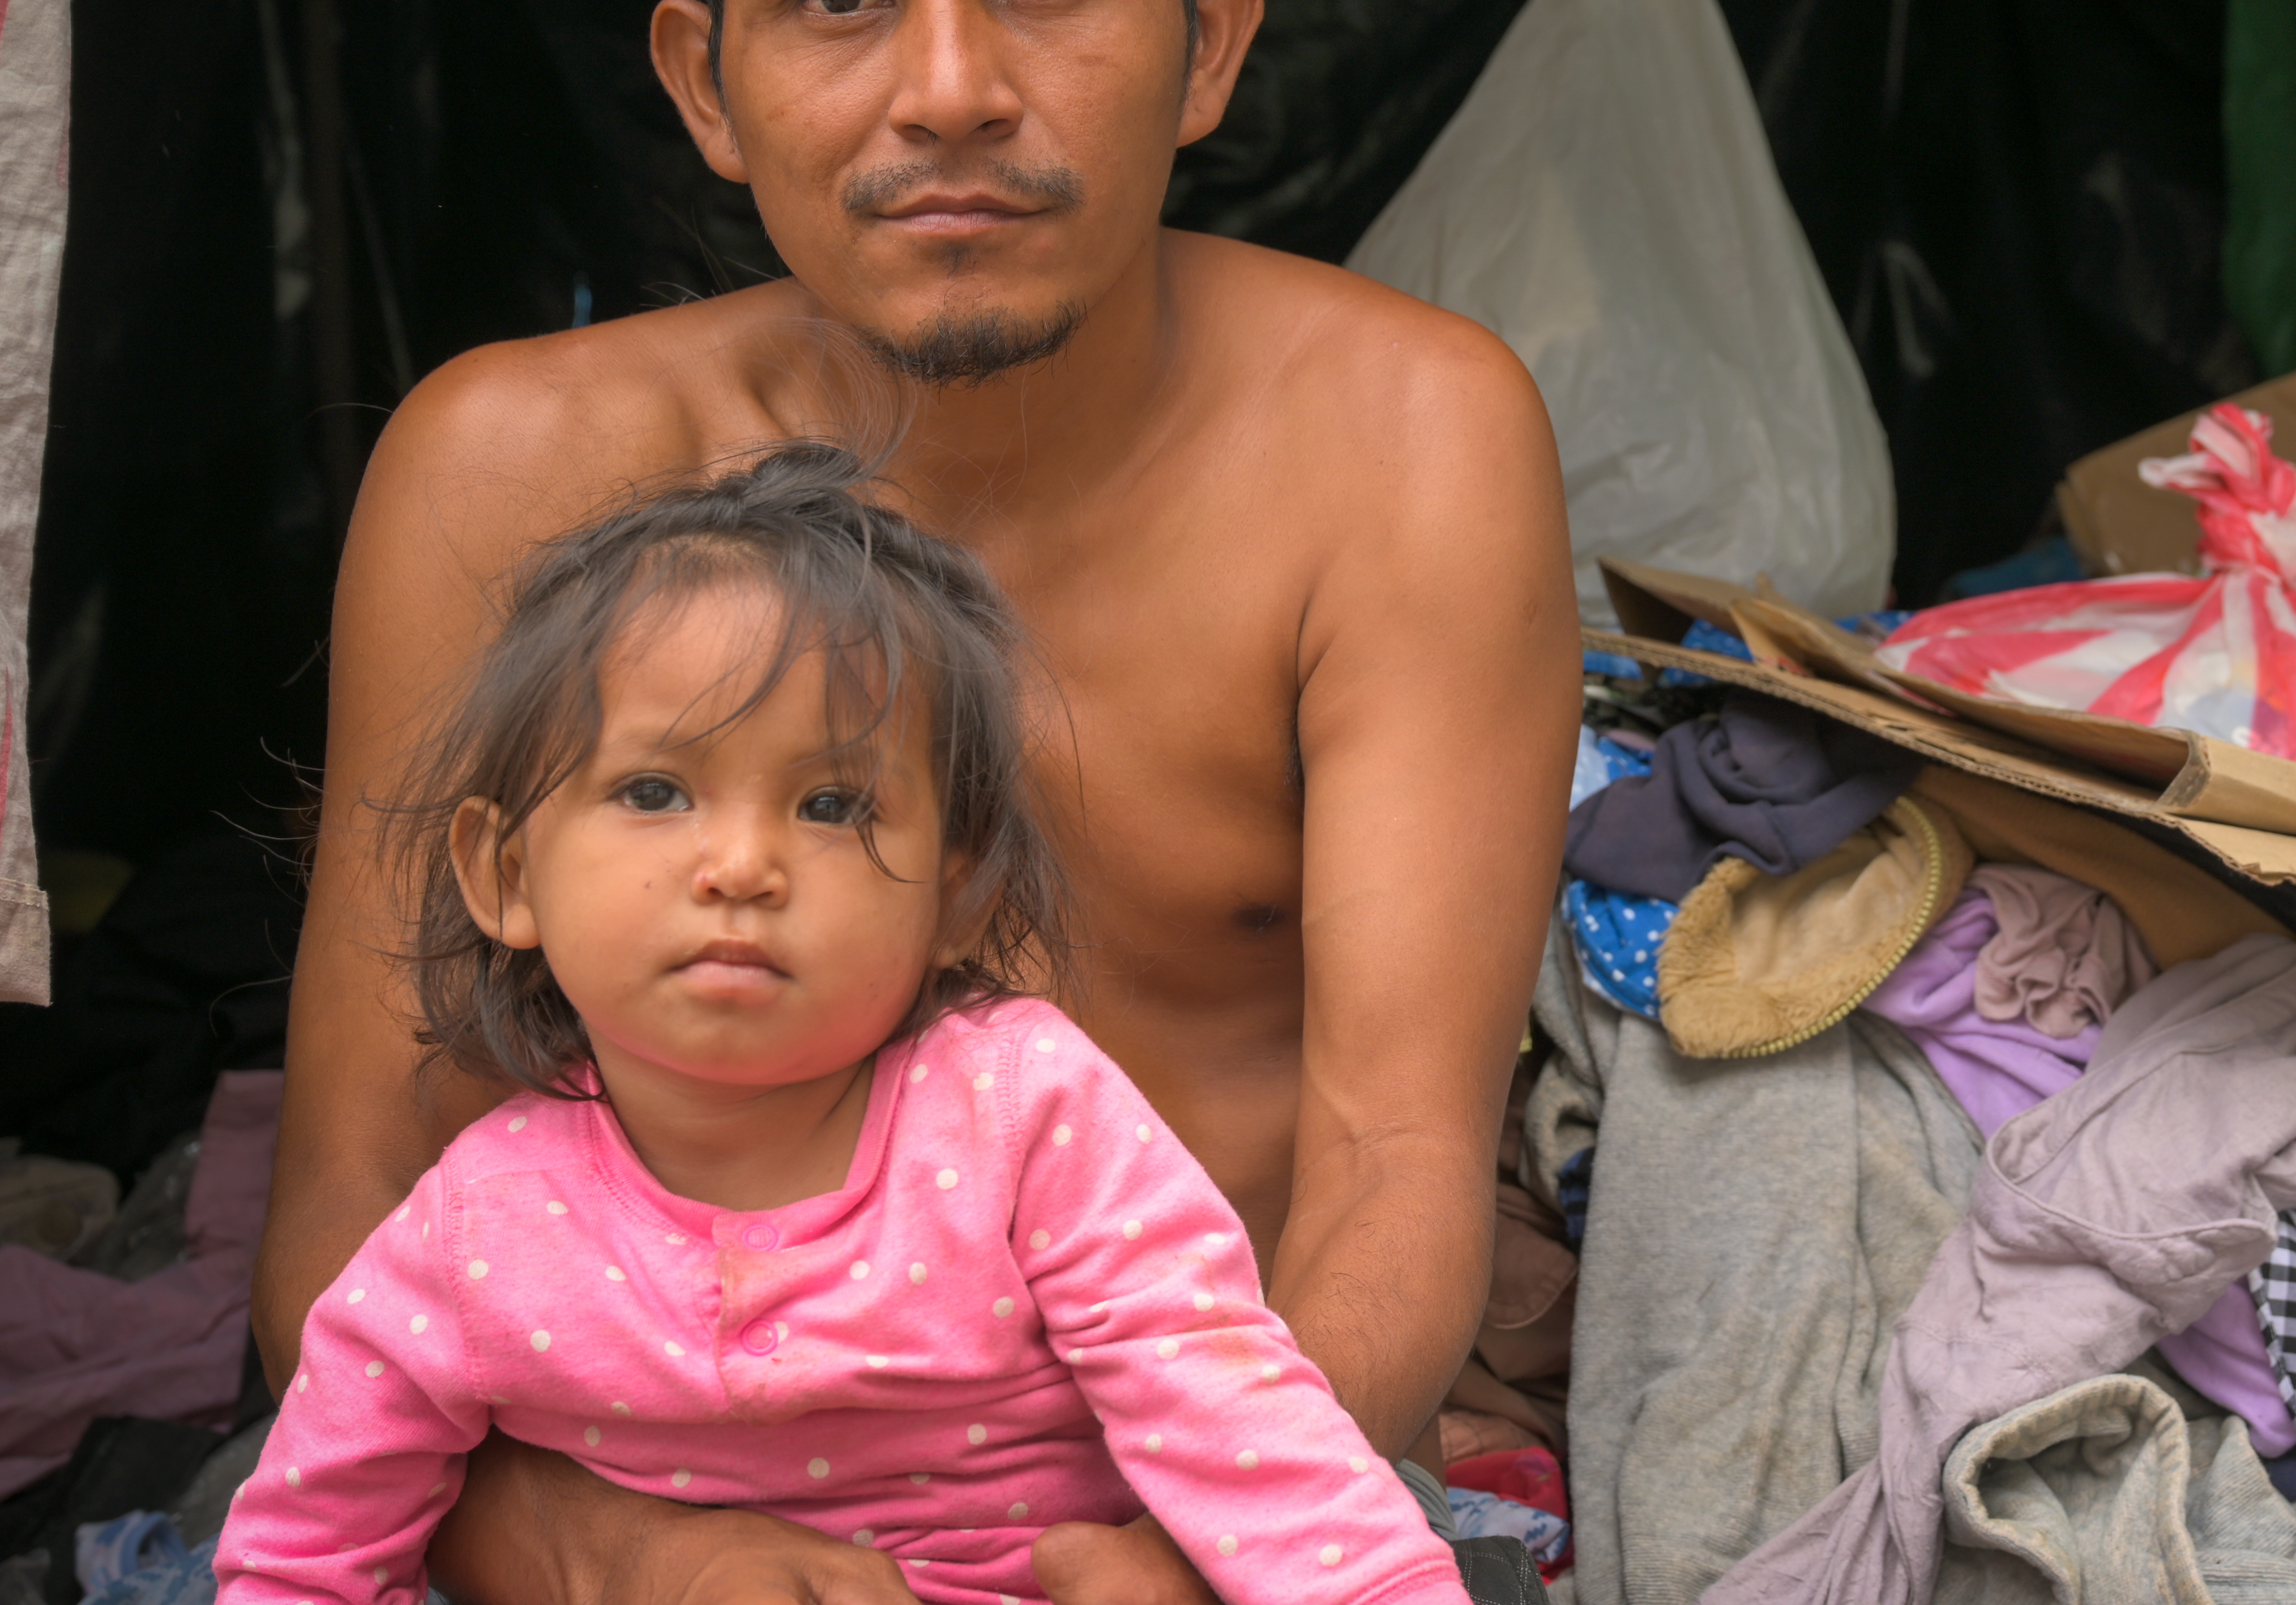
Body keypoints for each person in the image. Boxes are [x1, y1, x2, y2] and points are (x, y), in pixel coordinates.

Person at [255, 0, 1578, 1605]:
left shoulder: (1405, 443)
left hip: (1223, 1495)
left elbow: (1401, 1160)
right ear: (705, 80)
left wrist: (1184, 1553)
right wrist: (587, 1547)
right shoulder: (511, 470)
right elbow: (354, 1199)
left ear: (1211, 37)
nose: (951, 92)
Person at [225, 446, 1470, 1605]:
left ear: (957, 896)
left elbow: (1243, 1420)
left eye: (832, 803)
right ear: (505, 875)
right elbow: (306, 1546)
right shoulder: (475, 1227)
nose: (743, 862)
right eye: (654, 790)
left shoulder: (1022, 1111)